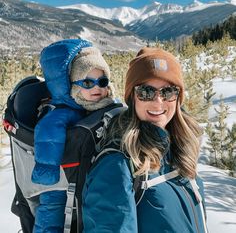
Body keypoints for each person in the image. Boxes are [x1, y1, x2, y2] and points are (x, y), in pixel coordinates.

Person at [82, 46, 208, 233]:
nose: (158, 101)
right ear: (133, 97)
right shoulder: (118, 164)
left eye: (168, 92)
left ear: (178, 97)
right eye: (146, 92)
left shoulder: (180, 150)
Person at [31, 39, 115, 233]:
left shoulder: (96, 105)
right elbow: (47, 136)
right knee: (51, 217)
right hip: (57, 182)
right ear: (72, 86)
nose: (97, 88)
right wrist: (47, 170)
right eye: (87, 82)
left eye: (102, 82)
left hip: (79, 176)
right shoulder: (61, 113)